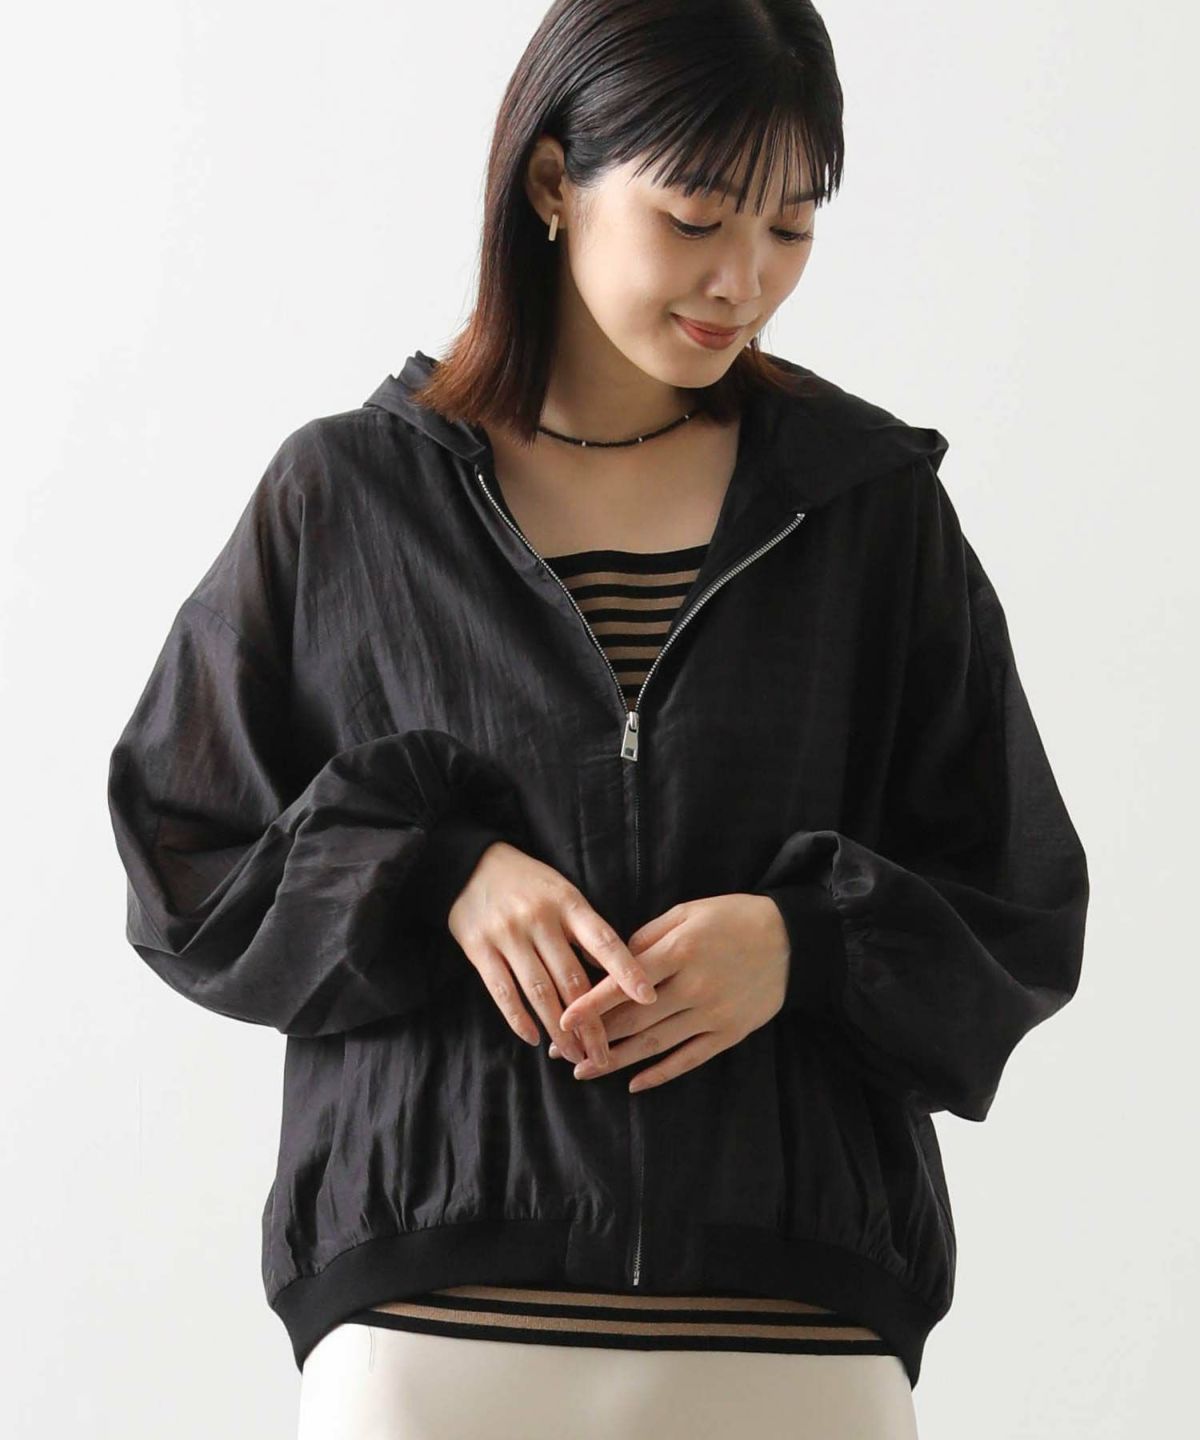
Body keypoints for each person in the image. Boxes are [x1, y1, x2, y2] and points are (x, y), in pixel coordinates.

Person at [106, 2, 1090, 1437]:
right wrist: (435, 870)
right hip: (428, 1340)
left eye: (791, 228)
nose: (744, 280)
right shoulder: (348, 497)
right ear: (555, 181)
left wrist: (801, 942)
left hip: (794, 1341)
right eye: (695, 218)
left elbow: (1019, 902)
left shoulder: (868, 511)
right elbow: (182, 853)